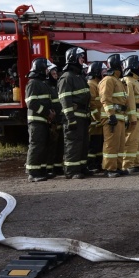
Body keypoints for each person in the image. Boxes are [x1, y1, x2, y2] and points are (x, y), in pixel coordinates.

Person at [58, 47, 91, 179]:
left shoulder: (79, 76)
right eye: (80, 57)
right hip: (74, 117)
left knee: (83, 143)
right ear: (73, 58)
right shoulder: (66, 78)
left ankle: (81, 168)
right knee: (73, 143)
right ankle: (71, 171)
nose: (82, 59)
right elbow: (65, 100)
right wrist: (70, 118)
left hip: (83, 115)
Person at [24, 58, 55, 182]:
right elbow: (31, 103)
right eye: (46, 68)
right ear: (41, 69)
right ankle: (32, 173)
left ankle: (41, 170)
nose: (48, 71)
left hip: (43, 120)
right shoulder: (33, 83)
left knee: (43, 146)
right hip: (36, 121)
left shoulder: (42, 83)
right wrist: (47, 112)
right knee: (36, 145)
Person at [99, 54, 128, 177]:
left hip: (119, 117)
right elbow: (105, 99)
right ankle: (109, 169)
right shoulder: (108, 80)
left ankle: (117, 166)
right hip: (111, 118)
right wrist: (111, 115)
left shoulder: (117, 81)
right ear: (116, 65)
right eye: (121, 64)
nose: (123, 67)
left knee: (120, 144)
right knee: (111, 145)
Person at [121, 55, 139, 172]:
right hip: (135, 115)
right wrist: (131, 117)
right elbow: (130, 101)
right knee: (131, 140)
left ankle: (137, 162)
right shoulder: (128, 81)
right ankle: (127, 164)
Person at [44, 61, 64, 178]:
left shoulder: (57, 85)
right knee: (51, 146)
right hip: (52, 120)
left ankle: (57, 167)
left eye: (56, 71)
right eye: (53, 72)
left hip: (59, 119)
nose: (55, 73)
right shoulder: (46, 86)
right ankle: (49, 168)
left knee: (60, 145)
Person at [85, 61, 105, 173]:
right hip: (94, 122)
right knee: (93, 145)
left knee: (99, 144)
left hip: (99, 121)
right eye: (102, 71)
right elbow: (92, 104)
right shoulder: (91, 85)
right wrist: (97, 118)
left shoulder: (98, 84)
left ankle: (98, 164)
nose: (104, 73)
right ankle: (91, 164)